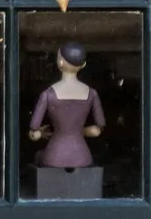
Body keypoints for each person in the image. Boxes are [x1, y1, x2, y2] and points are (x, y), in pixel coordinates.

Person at [31, 42, 105, 199]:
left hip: (54, 156)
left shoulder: (48, 94)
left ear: (60, 62)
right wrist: (76, 131)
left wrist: (38, 134)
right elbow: (96, 130)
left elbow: (34, 131)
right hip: (82, 156)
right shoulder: (92, 94)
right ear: (83, 65)